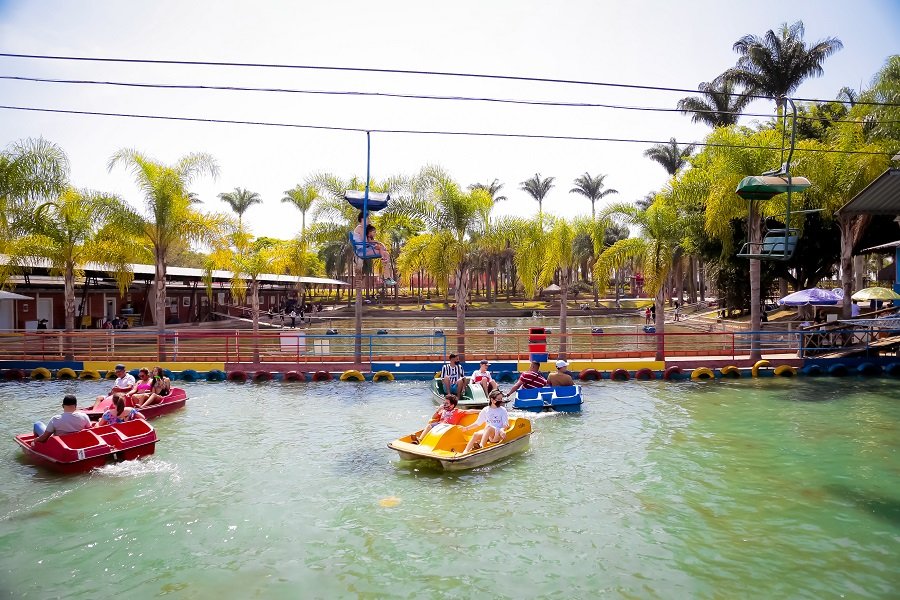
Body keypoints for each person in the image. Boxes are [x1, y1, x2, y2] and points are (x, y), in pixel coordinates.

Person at [410, 394, 476, 444]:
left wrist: (480, 411)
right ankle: (420, 440)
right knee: (429, 425)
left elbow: (469, 411)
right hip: (439, 425)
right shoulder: (443, 410)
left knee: (437, 428)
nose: (444, 405)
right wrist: (438, 410)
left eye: (447, 403)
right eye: (444, 403)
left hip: (449, 427)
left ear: (452, 405)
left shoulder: (457, 411)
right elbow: (433, 417)